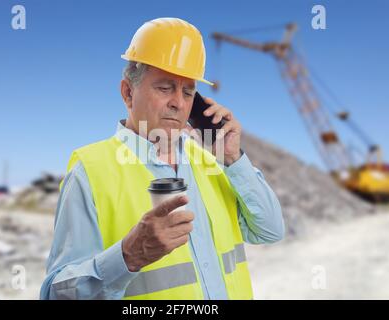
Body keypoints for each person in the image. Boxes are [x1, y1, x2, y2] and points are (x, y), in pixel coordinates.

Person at [40, 17, 284, 300]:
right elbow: (57, 294)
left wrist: (233, 157)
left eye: (188, 91)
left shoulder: (213, 161)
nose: (178, 103)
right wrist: (126, 257)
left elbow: (270, 231)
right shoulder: (90, 171)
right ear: (128, 93)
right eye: (165, 88)